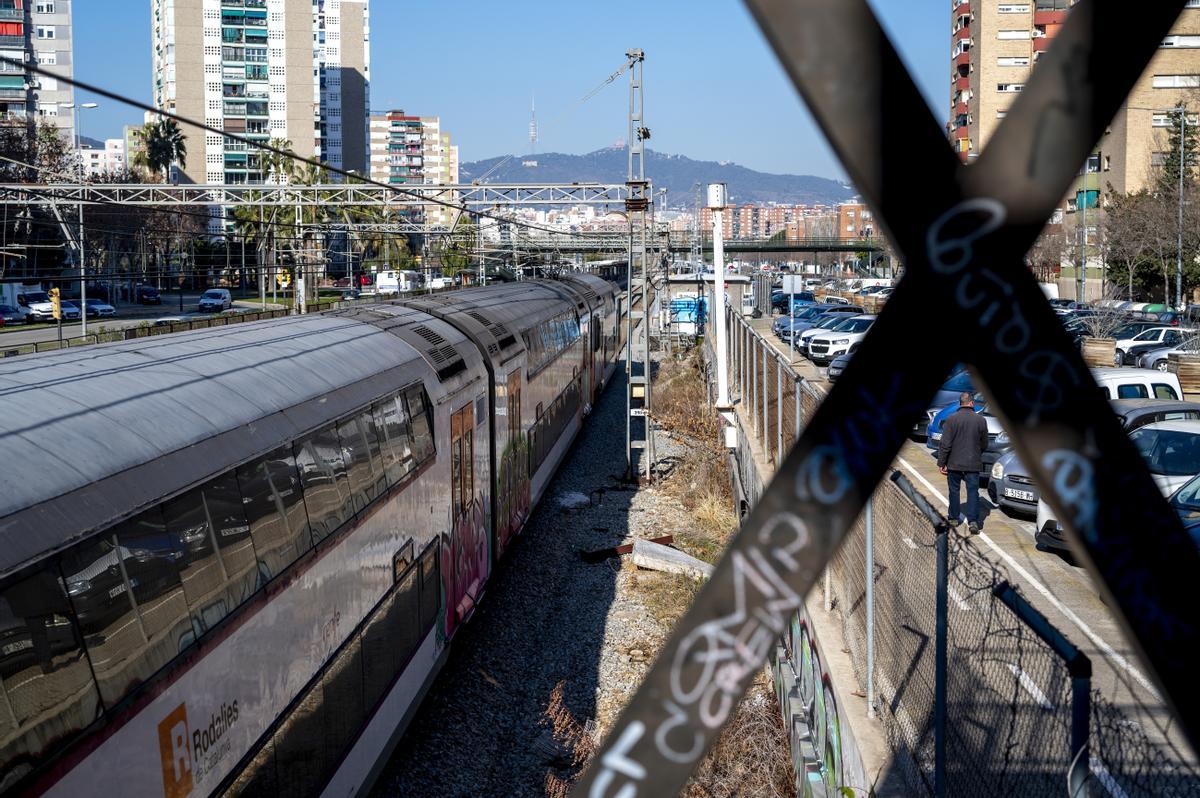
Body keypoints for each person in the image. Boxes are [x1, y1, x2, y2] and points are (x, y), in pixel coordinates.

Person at [937, 391, 989, 533]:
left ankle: (954, 518)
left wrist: (942, 462)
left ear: (960, 403)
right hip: (973, 464)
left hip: (954, 463)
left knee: (954, 491)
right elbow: (985, 443)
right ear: (971, 403)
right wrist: (977, 453)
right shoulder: (981, 420)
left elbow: (945, 444)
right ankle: (973, 522)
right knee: (973, 492)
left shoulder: (951, 419)